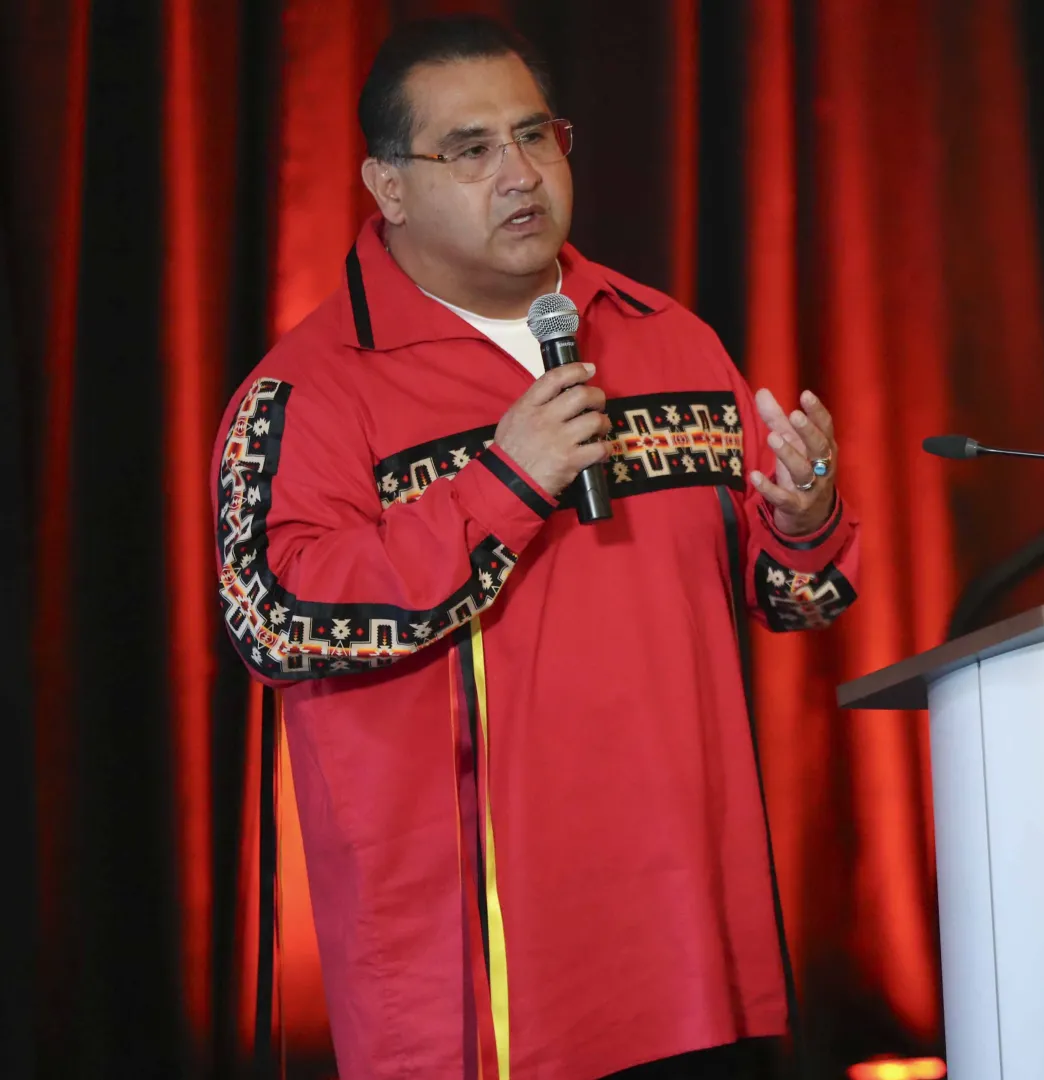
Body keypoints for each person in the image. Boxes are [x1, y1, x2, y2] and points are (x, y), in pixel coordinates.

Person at [210, 16, 856, 1079]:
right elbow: (274, 619)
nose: (518, 174)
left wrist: (801, 517)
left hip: (697, 961)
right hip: (477, 997)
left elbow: (793, 598)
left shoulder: (669, 339)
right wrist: (504, 485)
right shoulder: (307, 393)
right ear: (389, 187)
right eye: (469, 150)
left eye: (536, 136)